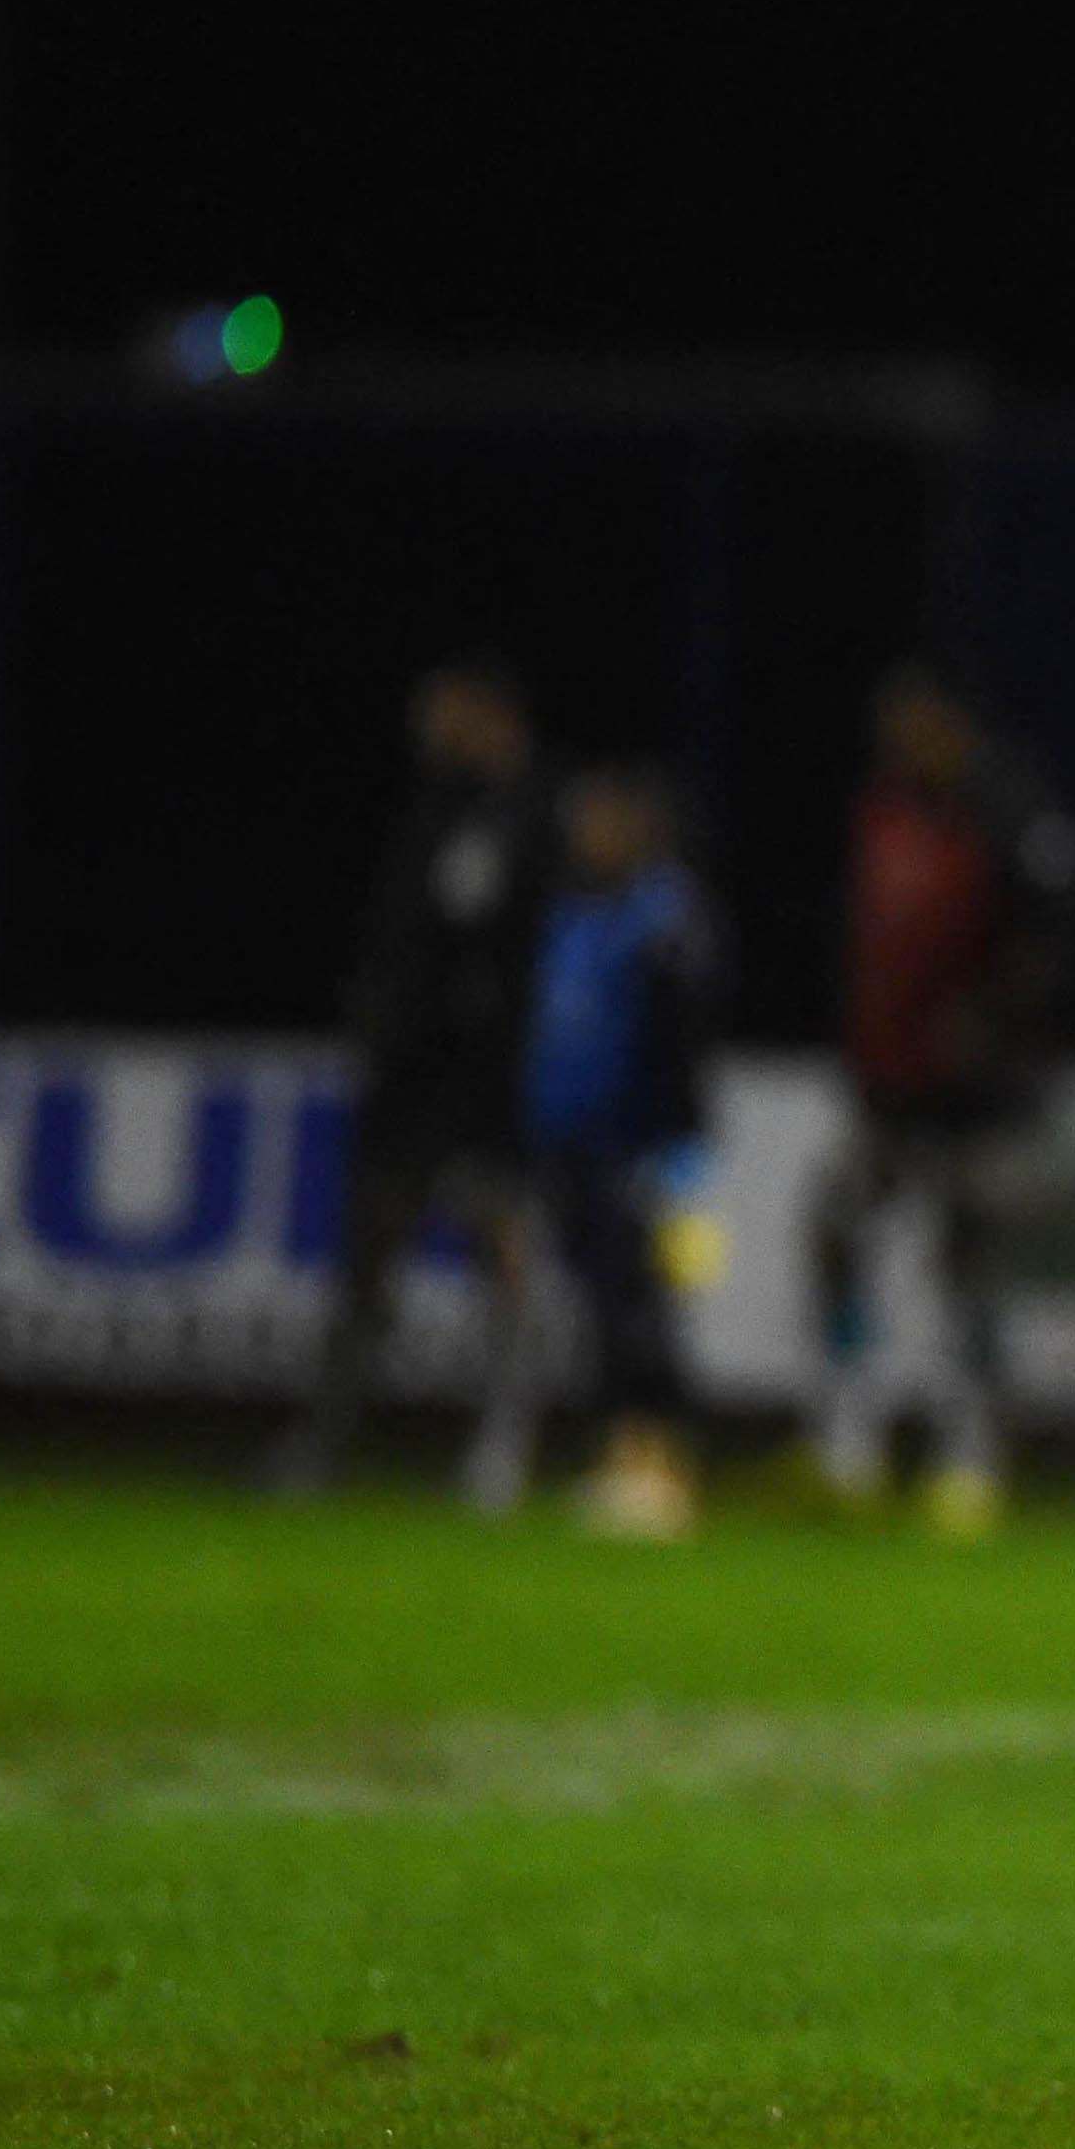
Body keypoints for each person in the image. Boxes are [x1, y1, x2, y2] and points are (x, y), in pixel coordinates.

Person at [261, 657, 555, 1500]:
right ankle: (325, 1439)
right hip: (407, 1085)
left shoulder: (535, 814)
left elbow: (530, 954)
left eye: (447, 713)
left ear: (490, 715)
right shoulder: (434, 808)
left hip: (488, 1089)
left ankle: (502, 1445)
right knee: (366, 1266)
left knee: (499, 1256)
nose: (430, 728)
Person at [805, 663, 1075, 1538]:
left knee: (968, 1264)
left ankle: (969, 1451)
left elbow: (1072, 939)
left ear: (955, 728)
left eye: (917, 728)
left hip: (984, 1094)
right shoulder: (883, 812)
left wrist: (997, 1021)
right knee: (838, 1226)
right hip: (891, 1083)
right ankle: (853, 1427)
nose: (902, 746)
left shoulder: (1011, 813)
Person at [487, 763, 725, 1541]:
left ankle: (658, 1466)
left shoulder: (664, 918)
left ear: (638, 825)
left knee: (638, 1309)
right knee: (597, 1309)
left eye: (601, 818)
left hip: (637, 1145)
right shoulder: (569, 911)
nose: (586, 834)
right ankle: (620, 1459)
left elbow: (683, 1040)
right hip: (566, 1142)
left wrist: (677, 1145)